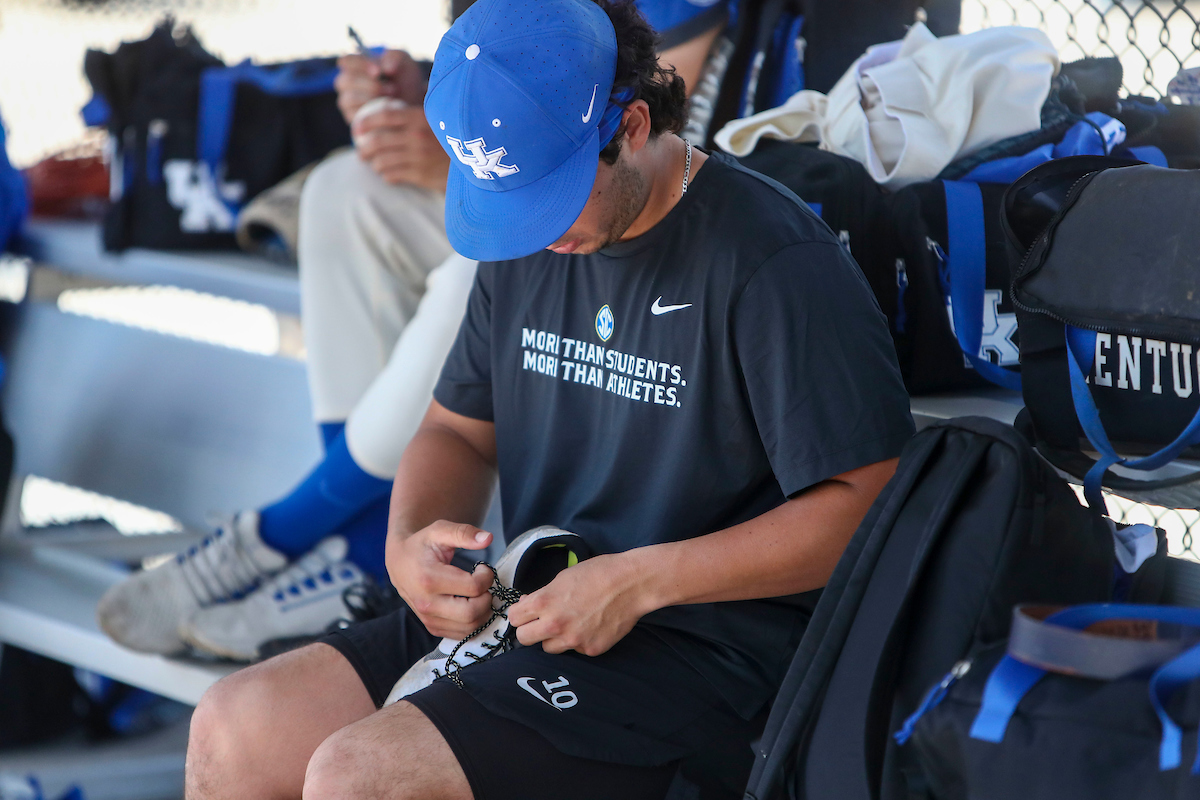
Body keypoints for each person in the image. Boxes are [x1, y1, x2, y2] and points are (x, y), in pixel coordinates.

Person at [184, 0, 915, 797]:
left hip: (701, 648)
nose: (532, 232)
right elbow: (456, 433)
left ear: (630, 126)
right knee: (233, 725)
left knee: (362, 774)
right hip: (530, 602)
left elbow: (869, 506)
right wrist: (409, 546)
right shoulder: (527, 242)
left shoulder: (770, 260)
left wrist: (639, 580)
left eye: (549, 195)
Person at [96, 0, 736, 663]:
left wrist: (486, 168)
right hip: (536, 177)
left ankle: (281, 535)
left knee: (481, 272)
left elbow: (664, 108)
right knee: (341, 191)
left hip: (607, 194)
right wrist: (432, 101)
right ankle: (362, 550)